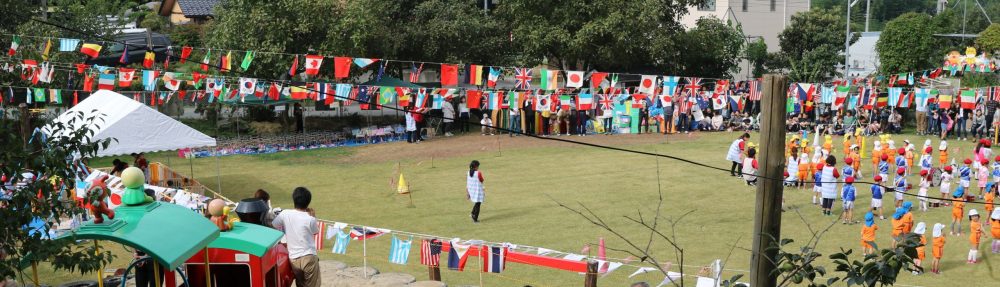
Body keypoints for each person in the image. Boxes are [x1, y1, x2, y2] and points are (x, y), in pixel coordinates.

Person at [272, 187, 320, 287]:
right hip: (308, 256)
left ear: (294, 199)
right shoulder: (310, 218)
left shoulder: (285, 214)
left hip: (293, 258)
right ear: (308, 202)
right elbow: (315, 231)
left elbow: (274, 224)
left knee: (301, 285)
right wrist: (313, 216)